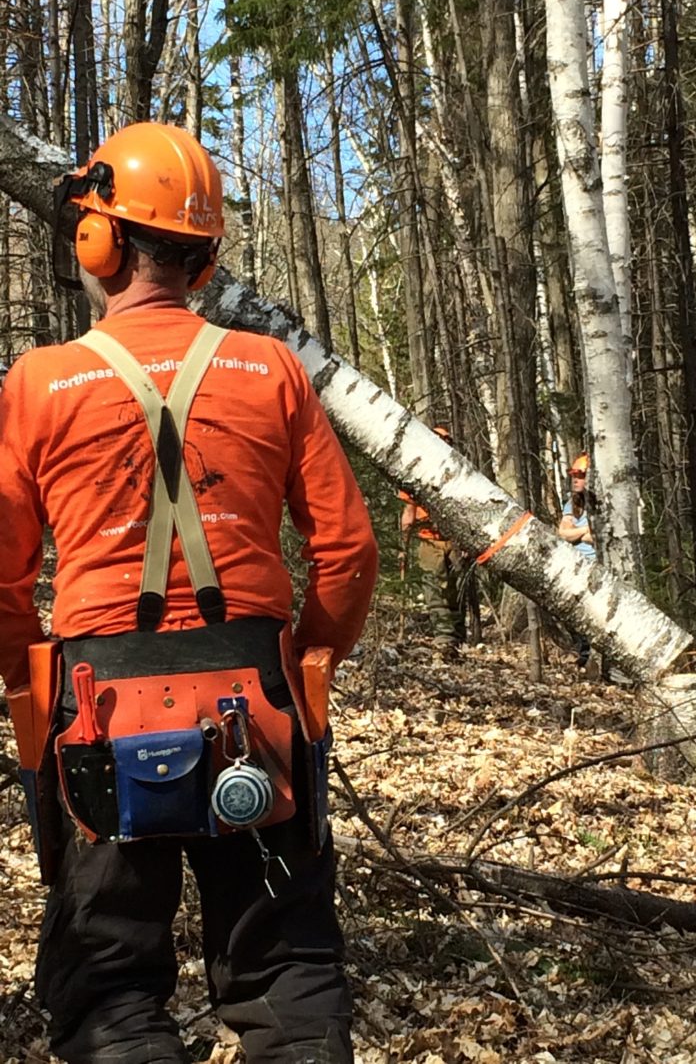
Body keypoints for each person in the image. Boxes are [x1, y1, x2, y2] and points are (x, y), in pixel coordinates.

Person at [0, 122, 377, 1064]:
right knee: (286, 968)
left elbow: (0, 576)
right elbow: (348, 548)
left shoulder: (40, 382)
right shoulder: (273, 369)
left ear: (101, 241)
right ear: (203, 259)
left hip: (95, 705)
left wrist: (29, 690)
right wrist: (307, 666)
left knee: (109, 981)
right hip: (258, 697)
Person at [399, 426, 466, 657]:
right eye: (438, 439)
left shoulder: (460, 473)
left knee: (457, 589)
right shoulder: (416, 471)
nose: (442, 443)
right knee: (434, 589)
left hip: (455, 540)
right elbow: (409, 512)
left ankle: (458, 635)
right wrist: (403, 544)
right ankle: (443, 637)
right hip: (427, 540)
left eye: (446, 440)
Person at [557, 452, 596, 668]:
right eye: (574, 475)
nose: (576, 479)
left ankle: (590, 654)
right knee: (574, 612)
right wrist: (585, 531)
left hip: (595, 565)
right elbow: (563, 533)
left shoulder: (599, 503)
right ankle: (582, 651)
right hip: (575, 564)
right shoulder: (572, 504)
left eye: (580, 475)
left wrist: (577, 532)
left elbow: (597, 538)